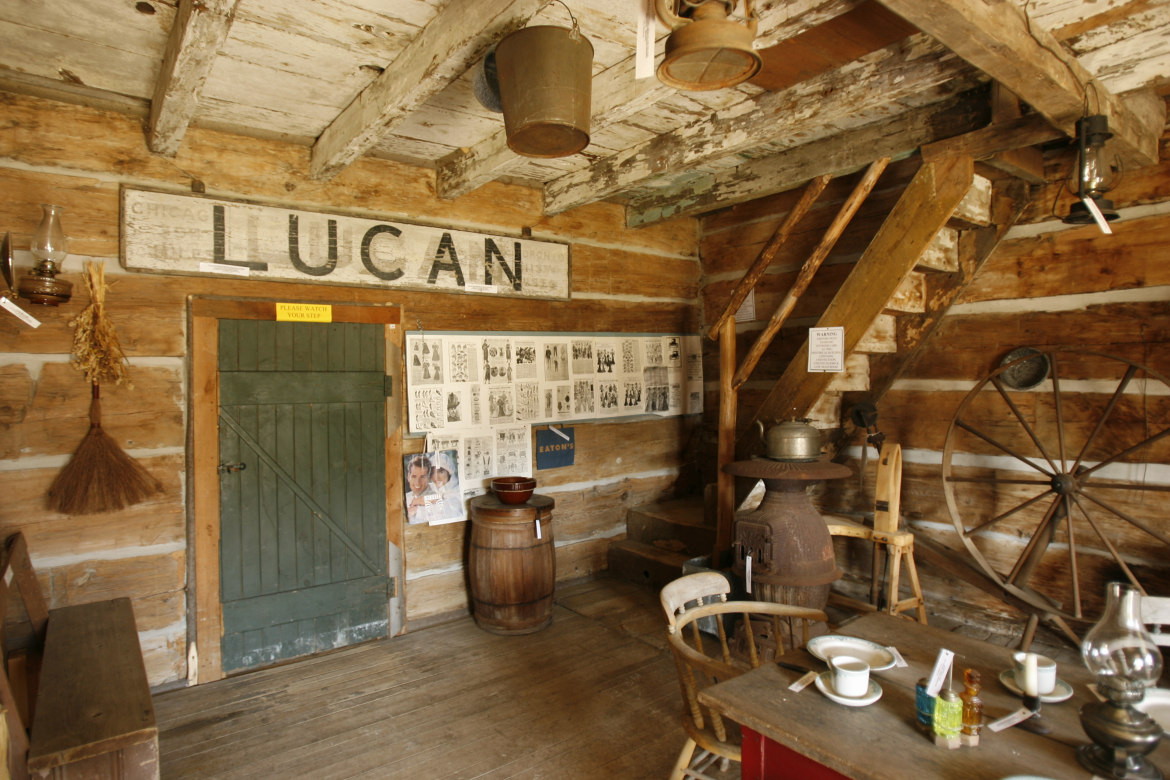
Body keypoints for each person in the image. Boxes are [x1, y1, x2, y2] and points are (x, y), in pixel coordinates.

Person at [405, 455, 437, 524]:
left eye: (423, 477)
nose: (417, 482)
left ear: (429, 479)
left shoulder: (436, 500)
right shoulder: (405, 498)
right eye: (414, 476)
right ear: (408, 477)